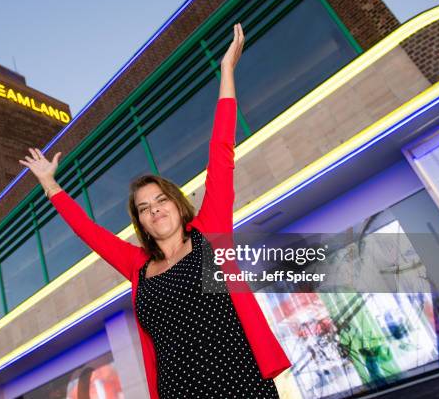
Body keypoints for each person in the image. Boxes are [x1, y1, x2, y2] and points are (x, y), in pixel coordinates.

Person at [20, 23, 291, 399]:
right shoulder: (137, 267)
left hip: (240, 383)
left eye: (161, 200)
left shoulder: (210, 231)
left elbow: (222, 150)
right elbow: (90, 233)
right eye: (144, 208)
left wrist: (227, 72)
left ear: (177, 204)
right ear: (141, 222)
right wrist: (51, 184)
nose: (155, 210)